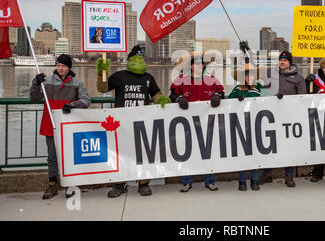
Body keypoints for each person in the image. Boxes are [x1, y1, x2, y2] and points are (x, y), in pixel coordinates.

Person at [96, 45, 171, 197]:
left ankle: (143, 183)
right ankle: (119, 184)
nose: (139, 61)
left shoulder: (148, 78)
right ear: (129, 60)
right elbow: (102, 88)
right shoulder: (119, 76)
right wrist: (102, 71)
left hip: (141, 124)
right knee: (121, 154)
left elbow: (156, 94)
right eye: (136, 58)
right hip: (121, 125)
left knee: (143, 153)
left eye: (141, 58)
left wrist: (164, 101)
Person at [30, 54, 91, 199]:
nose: (60, 68)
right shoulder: (46, 82)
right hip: (50, 123)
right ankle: (52, 184)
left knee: (70, 155)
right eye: (58, 66)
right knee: (52, 157)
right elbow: (34, 98)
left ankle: (72, 183)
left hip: (69, 126)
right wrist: (35, 84)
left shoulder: (77, 83)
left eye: (63, 66)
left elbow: (86, 100)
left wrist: (72, 104)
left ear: (68, 67)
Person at [169, 52, 225, 193]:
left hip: (206, 124)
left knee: (207, 153)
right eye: (197, 63)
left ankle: (209, 180)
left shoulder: (210, 79)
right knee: (188, 153)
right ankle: (186, 182)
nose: (200, 65)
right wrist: (179, 98)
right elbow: (172, 95)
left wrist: (218, 96)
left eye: (202, 63)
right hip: (187, 124)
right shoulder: (181, 79)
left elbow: (221, 92)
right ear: (191, 66)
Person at [260, 50, 307, 187]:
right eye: (281, 59)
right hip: (271, 116)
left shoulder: (298, 78)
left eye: (285, 60)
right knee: (269, 145)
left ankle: (289, 175)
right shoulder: (270, 74)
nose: (282, 62)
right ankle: (267, 173)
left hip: (288, 117)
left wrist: (286, 100)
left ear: (290, 62)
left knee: (288, 147)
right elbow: (261, 88)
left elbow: (302, 97)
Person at [227, 61, 266, 191]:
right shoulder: (237, 89)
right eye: (247, 75)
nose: (250, 78)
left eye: (252, 75)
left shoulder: (259, 88)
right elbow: (227, 103)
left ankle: (254, 180)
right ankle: (242, 180)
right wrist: (234, 99)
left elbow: (267, 103)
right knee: (243, 155)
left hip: (255, 125)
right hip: (241, 126)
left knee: (254, 154)